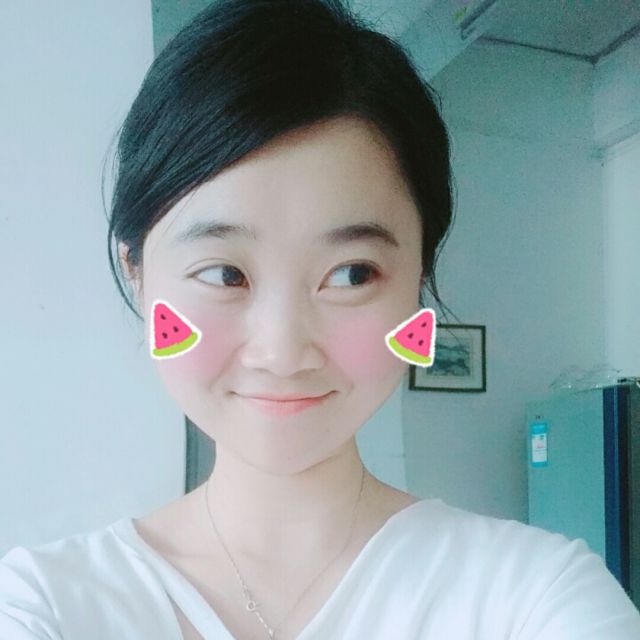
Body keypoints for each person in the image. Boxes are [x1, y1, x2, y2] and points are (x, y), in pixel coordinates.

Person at [2, 0, 639, 639]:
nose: (282, 352)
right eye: (225, 274)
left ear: (417, 278)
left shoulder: (535, 597)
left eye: (353, 274)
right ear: (138, 276)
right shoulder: (44, 606)